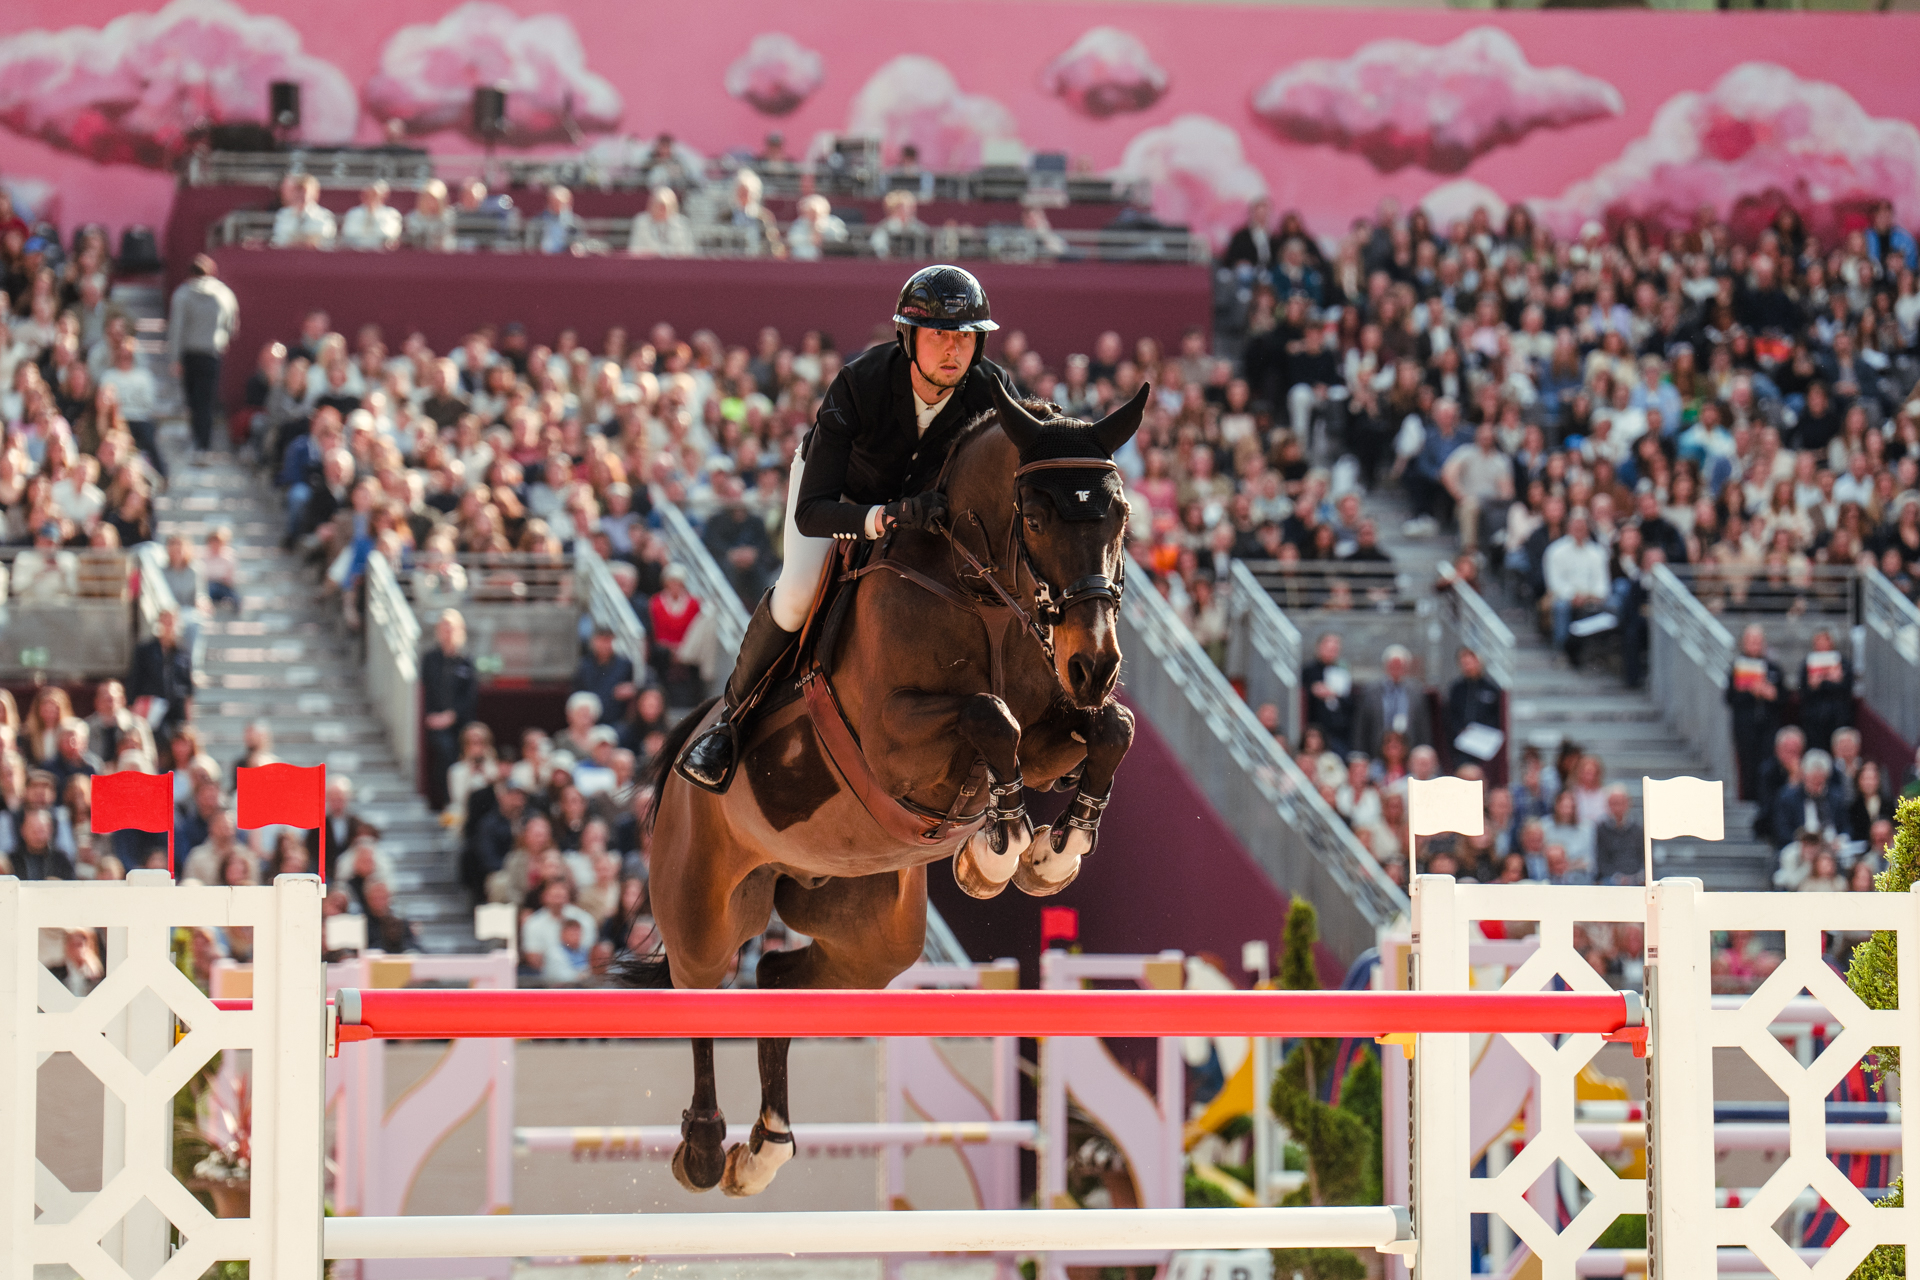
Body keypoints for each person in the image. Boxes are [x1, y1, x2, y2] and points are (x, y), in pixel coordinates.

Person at [676, 265, 1020, 790]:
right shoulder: (859, 383)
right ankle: (730, 724)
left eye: (967, 338)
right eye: (940, 336)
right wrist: (882, 517)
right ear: (908, 337)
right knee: (795, 594)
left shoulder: (992, 390)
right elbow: (812, 511)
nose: (955, 351)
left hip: (927, 509)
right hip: (838, 496)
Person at [167, 254, 240, 455]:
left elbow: (177, 328)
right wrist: (221, 339)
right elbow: (232, 325)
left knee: (193, 401)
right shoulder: (225, 293)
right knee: (206, 402)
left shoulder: (183, 294)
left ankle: (197, 441)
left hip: (190, 354)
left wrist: (174, 359)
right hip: (212, 354)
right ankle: (204, 445)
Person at [421, 608, 479, 804]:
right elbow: (425, 692)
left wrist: (452, 715)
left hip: (460, 722)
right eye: (443, 627)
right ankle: (446, 799)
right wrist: (432, 717)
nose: (447, 631)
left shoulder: (466, 660)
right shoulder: (430, 659)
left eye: (451, 627)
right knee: (446, 750)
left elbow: (469, 696)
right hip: (435, 721)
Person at [1727, 624, 1785, 802]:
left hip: (1768, 725)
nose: (1754, 645)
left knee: (1767, 764)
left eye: (1758, 641)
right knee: (1747, 764)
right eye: (1750, 641)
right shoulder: (1736, 668)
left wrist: (1771, 694)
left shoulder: (1774, 668)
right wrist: (1749, 692)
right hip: (1745, 725)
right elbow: (1729, 697)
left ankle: (1765, 801)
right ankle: (1748, 800)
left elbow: (1784, 697)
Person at [1542, 510, 1609, 665]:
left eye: (1582, 527)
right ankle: (1561, 651)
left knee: (1611, 606)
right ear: (1568, 527)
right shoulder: (1555, 551)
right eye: (1575, 526)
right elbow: (1554, 583)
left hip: (1591, 596)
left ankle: (1596, 655)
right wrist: (1572, 595)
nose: (1579, 530)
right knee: (1561, 607)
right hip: (1564, 596)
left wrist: (1588, 596)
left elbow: (1602, 583)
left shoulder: (1597, 552)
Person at [1353, 644, 1433, 760]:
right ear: (1386, 666)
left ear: (1406, 667)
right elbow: (1361, 726)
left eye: (1400, 666)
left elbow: (1422, 726)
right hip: (1377, 751)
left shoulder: (1416, 691)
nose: (1396, 669)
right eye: (1392, 665)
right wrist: (1360, 754)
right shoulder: (1371, 691)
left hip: (1409, 752)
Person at [127, 607, 192, 743]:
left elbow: (188, 689)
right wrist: (133, 708)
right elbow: (135, 680)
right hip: (152, 708)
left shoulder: (183, 652)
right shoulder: (145, 650)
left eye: (172, 621)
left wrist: (188, 720)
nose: (169, 625)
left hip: (176, 709)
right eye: (166, 620)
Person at [1796, 628, 1854, 764]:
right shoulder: (1806, 664)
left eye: (1825, 640)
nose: (1822, 644)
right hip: (1814, 720)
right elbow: (1801, 691)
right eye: (1818, 641)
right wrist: (1814, 685)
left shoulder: (1843, 663)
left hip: (1838, 718)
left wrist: (1835, 681)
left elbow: (1849, 688)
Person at [1442, 646, 1502, 774]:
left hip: (1485, 743)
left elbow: (1496, 716)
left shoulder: (1491, 688)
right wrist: (1460, 730)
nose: (1467, 666)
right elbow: (1451, 715)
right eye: (1463, 663)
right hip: (1462, 743)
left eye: (1470, 662)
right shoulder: (1456, 688)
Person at [1301, 632, 1355, 757]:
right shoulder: (1309, 671)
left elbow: (1349, 702)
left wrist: (1335, 694)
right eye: (1328, 648)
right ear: (1319, 648)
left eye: (1335, 649)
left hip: (1339, 732)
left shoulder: (1343, 671)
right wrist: (1313, 691)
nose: (1332, 651)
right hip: (1317, 729)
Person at [1592, 785, 1645, 885]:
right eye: (1614, 804)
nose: (1617, 808)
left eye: (1621, 803)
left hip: (1635, 877)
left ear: (1628, 804)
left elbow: (1644, 858)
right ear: (1607, 805)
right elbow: (1601, 860)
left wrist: (1635, 877)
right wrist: (1617, 877)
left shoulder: (1638, 829)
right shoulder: (1601, 829)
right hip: (1610, 878)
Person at [270, 176, 337, 249]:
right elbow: (279, 240)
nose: (302, 196)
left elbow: (326, 241)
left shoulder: (325, 215)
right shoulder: (283, 214)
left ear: (314, 193)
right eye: (298, 191)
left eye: (305, 191)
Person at [628, 186, 695, 258]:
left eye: (666, 206)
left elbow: (688, 251)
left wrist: (665, 254)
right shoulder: (641, 222)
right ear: (651, 205)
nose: (662, 210)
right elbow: (635, 249)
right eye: (659, 206)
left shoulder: (682, 224)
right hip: (647, 265)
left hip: (675, 266)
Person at [339, 182, 403, 252]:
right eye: (368, 195)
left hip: (382, 252)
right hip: (356, 251)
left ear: (383, 197)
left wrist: (373, 215)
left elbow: (389, 234)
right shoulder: (353, 213)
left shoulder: (391, 213)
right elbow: (349, 232)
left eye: (375, 195)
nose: (371, 198)